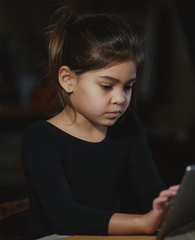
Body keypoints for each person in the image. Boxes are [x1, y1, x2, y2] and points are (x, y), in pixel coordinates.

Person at [21, 5, 179, 239]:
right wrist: (142, 222)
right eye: (107, 86)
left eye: (128, 87)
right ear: (67, 80)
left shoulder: (128, 125)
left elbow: (151, 191)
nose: (120, 98)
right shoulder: (42, 138)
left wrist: (168, 205)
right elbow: (64, 216)